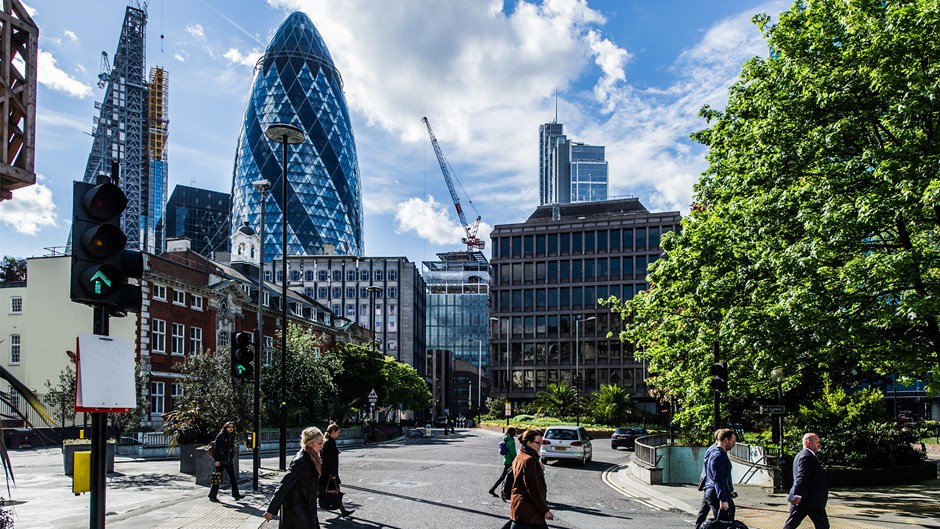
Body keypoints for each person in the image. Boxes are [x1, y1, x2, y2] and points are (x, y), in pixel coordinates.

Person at [263, 427, 325, 528]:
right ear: (310, 443)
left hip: (306, 505)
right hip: (298, 509)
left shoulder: (312, 457)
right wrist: (271, 510)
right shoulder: (301, 460)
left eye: (322, 443)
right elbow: (284, 484)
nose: (322, 446)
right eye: (319, 443)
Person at [508, 429, 554, 528]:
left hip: (521, 510)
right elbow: (533, 488)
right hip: (528, 511)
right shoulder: (529, 460)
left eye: (541, 443)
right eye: (538, 443)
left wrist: (537, 467)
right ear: (529, 443)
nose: (540, 446)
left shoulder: (520, 456)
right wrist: (545, 510)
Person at [783, 433, 829, 529]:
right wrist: (797, 494)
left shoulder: (801, 455)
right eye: (817, 442)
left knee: (791, 524)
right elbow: (802, 477)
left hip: (804, 500)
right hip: (810, 500)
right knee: (823, 526)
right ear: (808, 443)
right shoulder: (807, 457)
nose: (819, 445)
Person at [695, 428, 737, 528]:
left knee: (703, 515)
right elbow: (719, 480)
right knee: (724, 523)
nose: (734, 444)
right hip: (715, 492)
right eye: (733, 441)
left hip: (711, 490)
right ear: (726, 440)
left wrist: (729, 490)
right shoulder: (719, 456)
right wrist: (723, 500)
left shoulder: (714, 453)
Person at [320, 422, 355, 518]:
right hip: (329, 473)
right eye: (338, 432)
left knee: (333, 490)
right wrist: (334, 474)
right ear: (333, 432)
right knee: (328, 491)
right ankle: (310, 511)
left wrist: (336, 452)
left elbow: (325, 457)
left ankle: (343, 511)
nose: (338, 434)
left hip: (325, 472)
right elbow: (331, 461)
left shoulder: (326, 442)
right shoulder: (330, 443)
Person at [208, 421, 243, 502]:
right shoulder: (221, 436)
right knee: (217, 477)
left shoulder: (232, 436)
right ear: (225, 427)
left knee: (233, 479)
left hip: (228, 460)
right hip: (221, 460)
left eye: (232, 427)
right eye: (229, 427)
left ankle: (236, 495)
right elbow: (216, 448)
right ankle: (212, 496)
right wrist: (216, 460)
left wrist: (232, 455)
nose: (231, 428)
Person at [488, 427, 517, 498]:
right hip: (511, 461)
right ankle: (506, 493)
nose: (515, 433)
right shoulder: (511, 442)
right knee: (509, 478)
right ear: (511, 432)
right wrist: (516, 459)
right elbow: (513, 453)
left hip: (507, 460)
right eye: (514, 431)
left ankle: (493, 489)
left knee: (504, 476)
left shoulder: (506, 439)